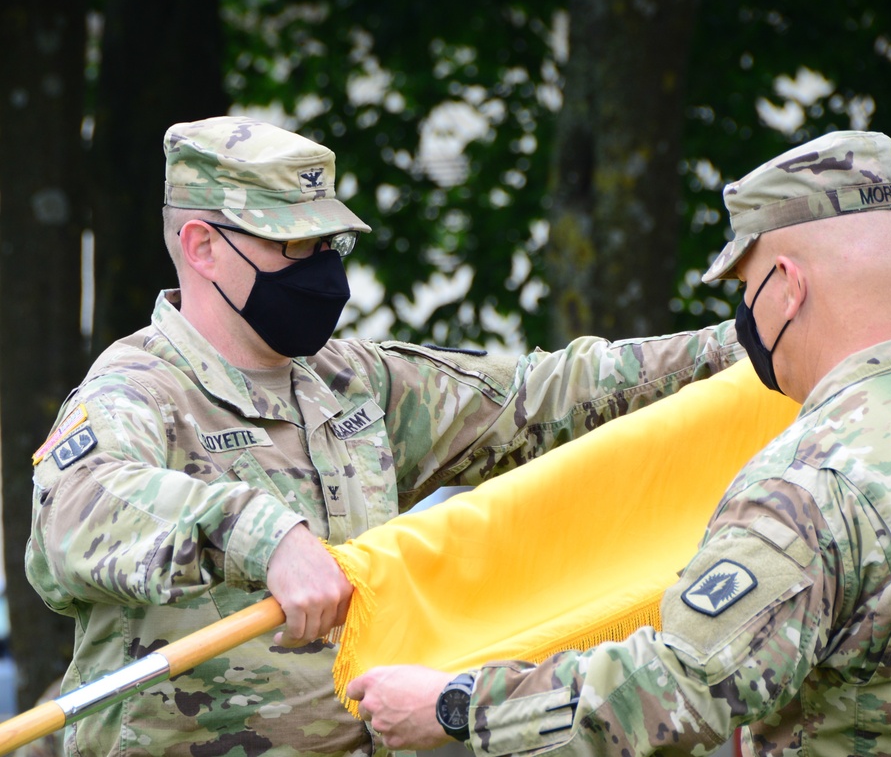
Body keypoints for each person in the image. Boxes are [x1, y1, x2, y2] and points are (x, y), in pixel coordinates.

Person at [26, 115, 747, 756]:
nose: (323, 271)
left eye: (328, 243)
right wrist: (262, 534)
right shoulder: (136, 391)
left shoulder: (352, 381)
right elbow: (72, 517)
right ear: (203, 246)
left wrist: (744, 345)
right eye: (293, 247)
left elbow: (545, 396)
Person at [346, 130, 891, 757]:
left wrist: (457, 703)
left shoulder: (812, 482)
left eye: (747, 288)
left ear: (789, 285)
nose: (745, 314)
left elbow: (680, 686)